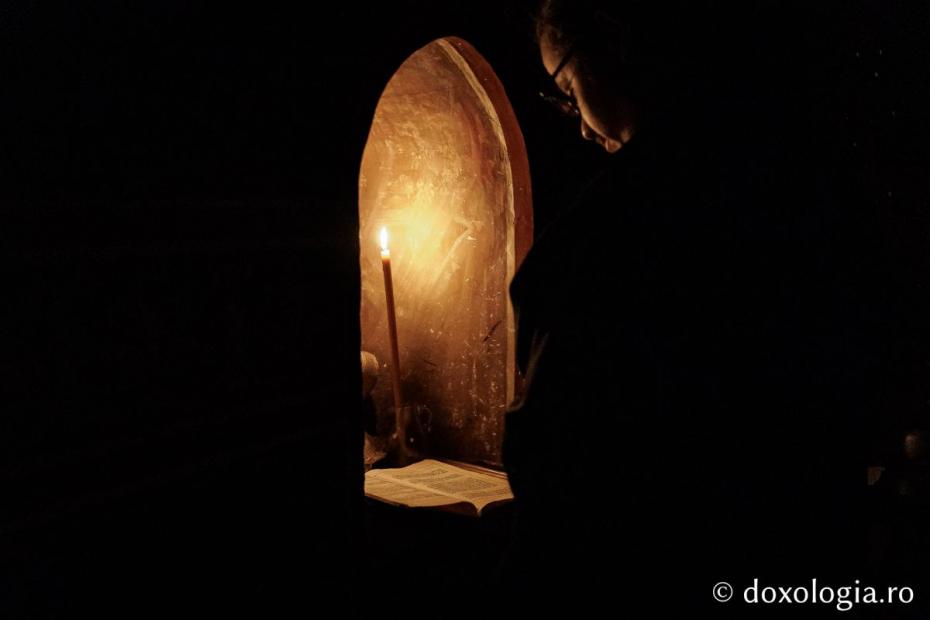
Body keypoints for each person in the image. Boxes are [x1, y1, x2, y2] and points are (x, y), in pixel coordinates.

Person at [500, 0, 869, 611]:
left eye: (567, 89)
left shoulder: (625, 220)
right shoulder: (782, 174)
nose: (579, 127)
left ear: (612, 47)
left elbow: (564, 430)